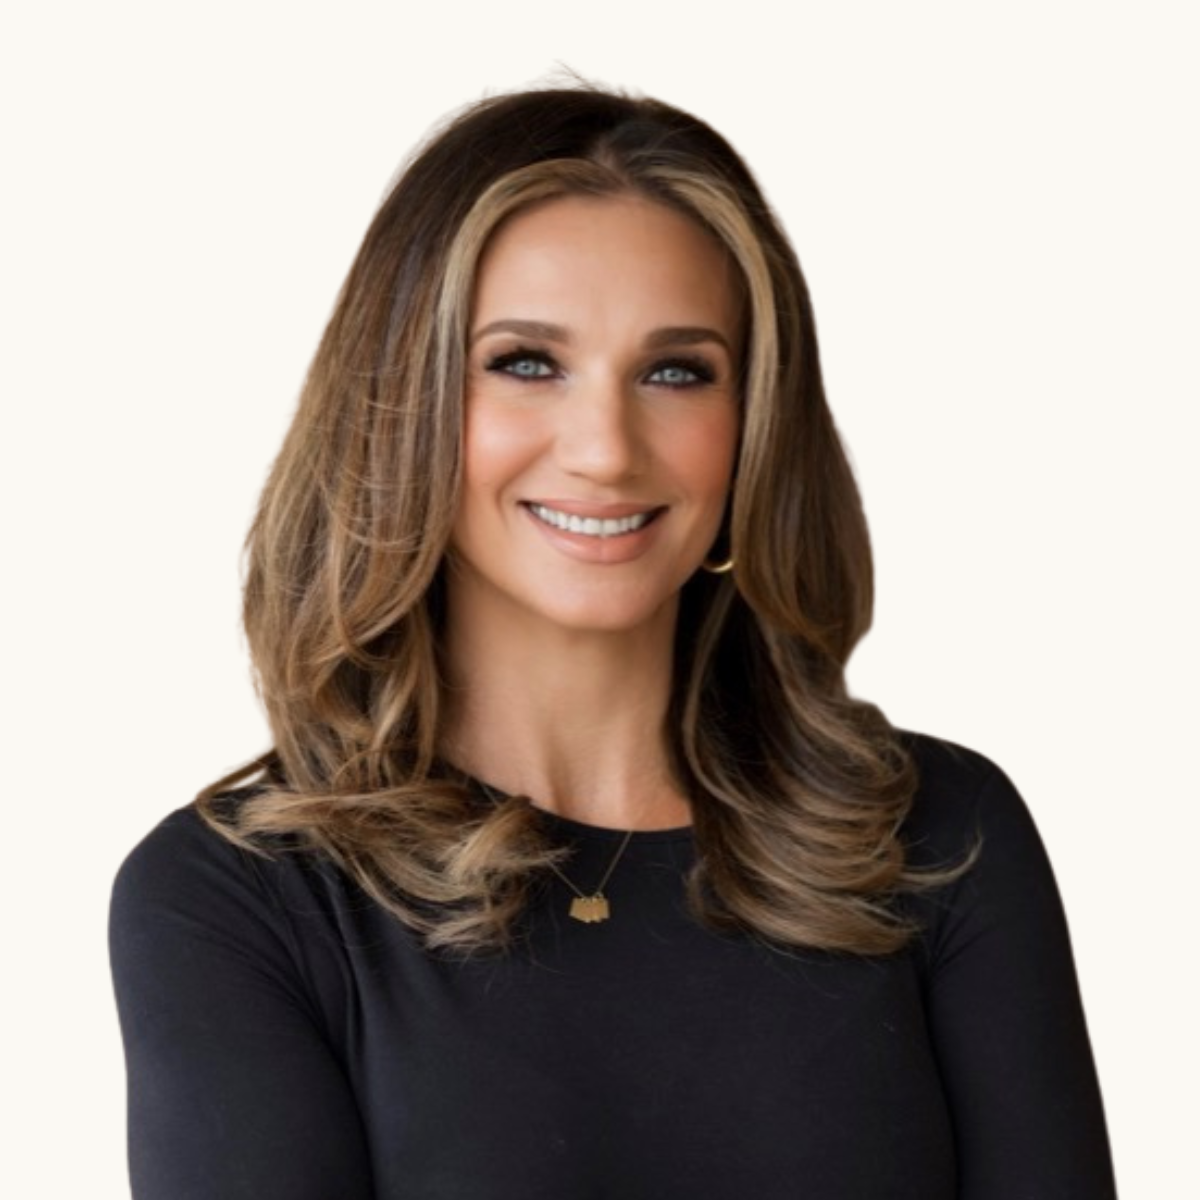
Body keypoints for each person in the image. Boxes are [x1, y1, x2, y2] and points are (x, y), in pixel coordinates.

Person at [109, 85, 1117, 1199]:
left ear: (755, 428)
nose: (605, 448)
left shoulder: (938, 837)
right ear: (399, 404)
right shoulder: (235, 902)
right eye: (525, 362)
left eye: (676, 371)